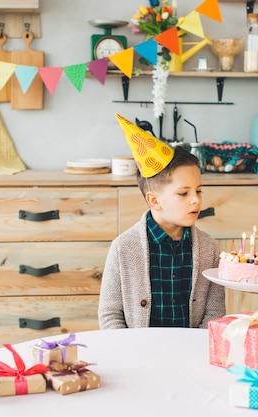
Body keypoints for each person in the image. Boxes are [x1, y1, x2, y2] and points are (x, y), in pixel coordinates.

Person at [98, 114, 226, 329]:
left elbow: (215, 313)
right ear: (154, 200)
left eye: (198, 190)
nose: (196, 199)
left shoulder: (209, 249)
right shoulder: (123, 248)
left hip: (191, 353)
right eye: (183, 193)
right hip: (138, 353)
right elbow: (110, 315)